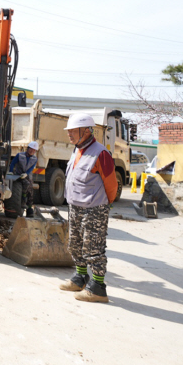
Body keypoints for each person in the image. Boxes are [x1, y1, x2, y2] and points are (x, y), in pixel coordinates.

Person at [59, 113, 118, 303]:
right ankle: (80, 278)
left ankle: (98, 288)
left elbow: (112, 185)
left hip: (94, 208)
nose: (69, 135)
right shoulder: (77, 150)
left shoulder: (101, 153)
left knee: (93, 247)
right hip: (76, 205)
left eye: (72, 131)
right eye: (68, 131)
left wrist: (102, 206)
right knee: (75, 244)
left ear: (85, 131)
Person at [9, 141, 39, 217]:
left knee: (30, 190)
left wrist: (27, 173)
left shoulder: (35, 159)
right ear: (28, 148)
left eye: (34, 150)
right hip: (18, 174)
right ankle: (22, 199)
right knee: (25, 184)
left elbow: (32, 167)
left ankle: (29, 209)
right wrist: (11, 172)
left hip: (27, 175)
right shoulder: (20, 155)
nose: (32, 151)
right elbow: (12, 163)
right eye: (31, 149)